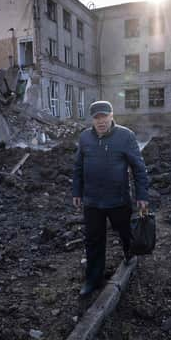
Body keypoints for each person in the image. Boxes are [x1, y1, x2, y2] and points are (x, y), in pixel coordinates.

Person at [72, 100, 149, 297]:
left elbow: (138, 167)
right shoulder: (85, 138)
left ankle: (129, 253)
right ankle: (93, 279)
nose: (101, 121)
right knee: (93, 241)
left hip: (118, 199)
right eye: (97, 118)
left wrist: (142, 195)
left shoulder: (125, 136)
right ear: (92, 119)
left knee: (125, 232)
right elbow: (78, 167)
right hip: (92, 201)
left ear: (112, 115)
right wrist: (77, 192)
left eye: (104, 116)